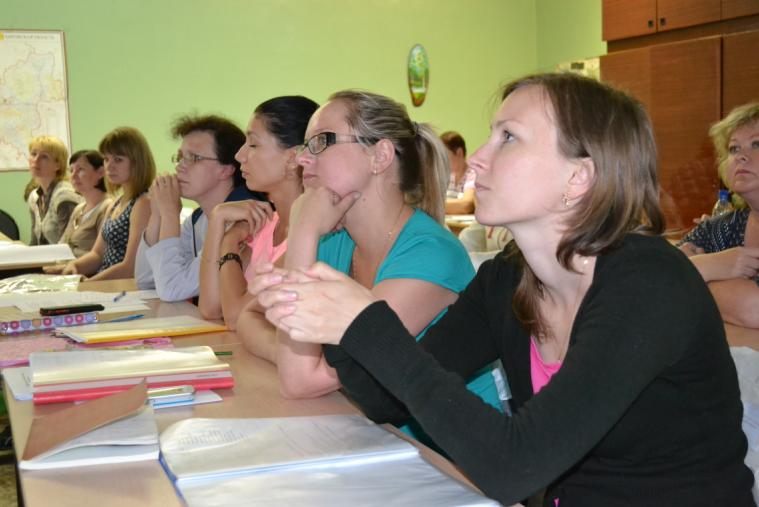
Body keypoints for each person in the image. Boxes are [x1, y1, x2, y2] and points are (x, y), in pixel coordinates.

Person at [259, 73, 755, 506]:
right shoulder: (508, 278)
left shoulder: (648, 284)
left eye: (508, 138)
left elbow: (516, 466)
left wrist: (364, 323)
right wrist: (338, 323)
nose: (476, 159)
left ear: (579, 176)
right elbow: (381, 399)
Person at [243, 90, 502, 433]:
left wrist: (303, 231)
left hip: (441, 450)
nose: (303, 159)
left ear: (379, 156)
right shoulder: (336, 242)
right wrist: (289, 352)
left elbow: (301, 381)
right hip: (369, 432)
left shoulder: (431, 254)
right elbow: (248, 314)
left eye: (320, 142)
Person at [199, 96, 318, 328]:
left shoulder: (313, 236)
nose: (239, 156)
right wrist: (217, 219)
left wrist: (229, 242)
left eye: (253, 145)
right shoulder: (264, 224)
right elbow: (211, 307)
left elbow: (235, 316)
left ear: (293, 158)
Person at [134, 114, 265, 302]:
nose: (180, 167)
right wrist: (157, 214)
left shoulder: (242, 218)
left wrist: (170, 215)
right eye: (180, 157)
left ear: (226, 169)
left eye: (194, 158)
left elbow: (172, 290)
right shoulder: (198, 218)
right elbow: (146, 280)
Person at [678, 102, 759, 328]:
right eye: (734, 149)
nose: (741, 156)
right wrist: (708, 265)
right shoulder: (722, 227)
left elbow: (754, 308)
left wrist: (694, 271)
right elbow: (653, 277)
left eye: (756, 144)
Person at [61, 127, 154, 280]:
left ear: (137, 162)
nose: (109, 166)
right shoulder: (116, 202)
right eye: (106, 159)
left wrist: (87, 284)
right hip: (104, 283)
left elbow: (130, 267)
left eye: (118, 160)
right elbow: (97, 254)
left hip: (121, 287)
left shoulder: (144, 203)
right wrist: (75, 266)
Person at [43, 150, 112, 272]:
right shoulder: (79, 208)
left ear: (101, 172)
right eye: (71, 170)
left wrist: (63, 269)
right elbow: (63, 244)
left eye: (80, 170)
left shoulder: (108, 207)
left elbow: (101, 255)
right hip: (67, 269)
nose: (73, 176)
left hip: (86, 274)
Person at [25, 136, 81, 245]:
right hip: (47, 254)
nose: (36, 160)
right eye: (33, 154)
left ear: (58, 165)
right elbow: (35, 242)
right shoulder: (34, 197)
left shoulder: (65, 196)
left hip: (68, 255)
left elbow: (69, 244)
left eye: (44, 157)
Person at [441, 131, 475, 214]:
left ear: (459, 153)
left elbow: (466, 205)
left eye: (444, 156)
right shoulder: (447, 175)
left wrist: (431, 207)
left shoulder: (473, 173)